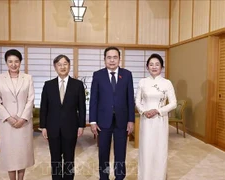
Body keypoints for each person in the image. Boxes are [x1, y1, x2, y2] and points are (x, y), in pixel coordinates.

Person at [89, 46, 135, 180]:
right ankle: (104, 177)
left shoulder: (127, 74)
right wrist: (92, 121)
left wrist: (131, 119)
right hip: (103, 120)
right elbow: (94, 99)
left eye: (115, 57)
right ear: (104, 59)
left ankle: (119, 177)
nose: (112, 60)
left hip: (122, 120)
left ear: (119, 59)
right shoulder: (98, 75)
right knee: (103, 151)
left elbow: (130, 99)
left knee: (121, 152)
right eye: (109, 57)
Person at [39, 54, 86, 180]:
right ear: (55, 67)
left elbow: (82, 107)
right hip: (52, 127)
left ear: (69, 66)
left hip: (71, 127)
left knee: (69, 158)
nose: (62, 67)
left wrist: (81, 125)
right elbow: (44, 107)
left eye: (65, 64)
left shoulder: (77, 85)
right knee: (55, 158)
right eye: (59, 64)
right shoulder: (48, 85)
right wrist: (43, 126)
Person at [0, 49, 35, 180]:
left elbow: (31, 99)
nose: (13, 64)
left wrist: (22, 118)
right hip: (7, 123)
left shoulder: (28, 78)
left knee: (22, 154)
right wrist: (9, 118)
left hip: (24, 122)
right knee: (9, 155)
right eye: (10, 61)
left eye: (16, 61)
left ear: (20, 62)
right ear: (6, 63)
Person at [136, 53, 177, 180]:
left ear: (162, 67)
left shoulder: (167, 83)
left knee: (160, 150)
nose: (154, 67)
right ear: (147, 67)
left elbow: (174, 103)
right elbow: (137, 101)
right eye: (151, 64)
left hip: (160, 120)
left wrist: (158, 110)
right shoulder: (143, 82)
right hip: (146, 120)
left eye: (157, 64)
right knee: (146, 150)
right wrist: (144, 111)